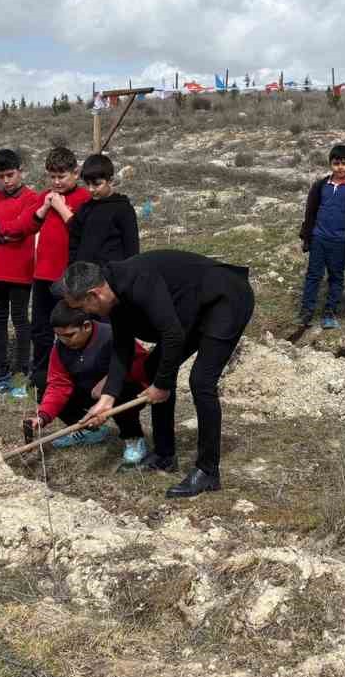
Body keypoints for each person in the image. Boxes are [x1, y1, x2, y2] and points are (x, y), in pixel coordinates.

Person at [57, 249, 255, 499]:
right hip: (192, 308)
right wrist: (107, 399)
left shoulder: (138, 281)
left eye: (84, 306)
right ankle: (164, 454)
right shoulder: (114, 296)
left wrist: (162, 385)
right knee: (154, 367)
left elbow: (171, 334)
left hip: (225, 298)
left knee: (201, 381)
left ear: (94, 294)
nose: (88, 313)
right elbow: (122, 348)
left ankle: (208, 471)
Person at [30, 302, 150, 465]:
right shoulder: (60, 348)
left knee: (121, 388)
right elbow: (58, 384)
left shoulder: (112, 335)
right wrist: (43, 416)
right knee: (39, 381)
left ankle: (133, 437)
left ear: (86, 326)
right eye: (59, 336)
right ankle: (89, 430)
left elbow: (142, 365)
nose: (64, 341)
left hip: (126, 390)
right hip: (89, 390)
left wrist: (110, 381)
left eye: (69, 335)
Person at [26, 147, 90, 397]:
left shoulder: (85, 198)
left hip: (68, 278)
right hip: (42, 274)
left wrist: (62, 208)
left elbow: (81, 230)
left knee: (71, 330)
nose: (56, 182)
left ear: (75, 173)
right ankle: (40, 377)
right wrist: (43, 208)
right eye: (52, 177)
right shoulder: (46, 196)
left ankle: (74, 379)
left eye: (61, 176)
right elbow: (28, 226)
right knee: (41, 329)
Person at [0, 148, 39, 396]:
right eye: (1, 176)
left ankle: (23, 365)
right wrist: (2, 234)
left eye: (10, 175)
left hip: (21, 267)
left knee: (21, 319)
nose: (6, 181)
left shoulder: (31, 198)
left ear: (20, 171)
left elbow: (23, 227)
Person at [297, 143, 345, 329]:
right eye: (336, 163)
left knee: (336, 277)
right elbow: (310, 211)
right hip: (319, 238)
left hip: (341, 241)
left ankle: (329, 313)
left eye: (344, 163)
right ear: (330, 164)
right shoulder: (321, 186)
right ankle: (306, 312)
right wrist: (308, 236)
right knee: (313, 275)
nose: (340, 167)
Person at [69, 152, 140, 267]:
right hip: (84, 276)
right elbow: (74, 243)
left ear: (110, 181)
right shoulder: (85, 209)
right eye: (87, 184)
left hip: (111, 278)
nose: (91, 189)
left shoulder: (123, 209)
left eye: (97, 184)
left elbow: (132, 249)